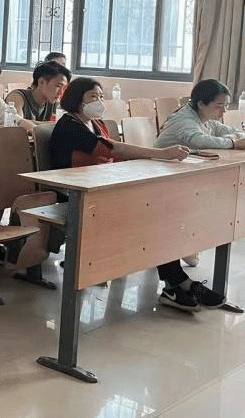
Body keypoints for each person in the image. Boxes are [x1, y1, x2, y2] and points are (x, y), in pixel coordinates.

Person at [50, 77, 223, 312]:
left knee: (159, 210)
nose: (99, 101)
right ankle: (177, 283)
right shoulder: (69, 126)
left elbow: (113, 155)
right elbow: (114, 149)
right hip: (75, 194)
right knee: (150, 214)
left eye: (101, 96)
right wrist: (161, 154)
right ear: (76, 99)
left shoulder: (95, 123)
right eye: (92, 96)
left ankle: (175, 284)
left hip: (99, 188)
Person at [155, 79, 245, 150]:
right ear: (201, 104)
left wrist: (232, 139)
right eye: (219, 106)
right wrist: (232, 143)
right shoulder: (184, 120)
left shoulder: (208, 120)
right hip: (161, 165)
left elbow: (238, 132)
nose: (224, 110)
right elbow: (200, 141)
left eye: (226, 105)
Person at [5, 61, 71, 122]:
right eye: (58, 86)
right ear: (41, 82)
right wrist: (49, 125)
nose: (61, 93)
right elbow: (16, 124)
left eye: (64, 88)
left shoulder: (54, 103)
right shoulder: (17, 97)